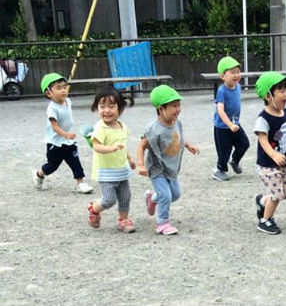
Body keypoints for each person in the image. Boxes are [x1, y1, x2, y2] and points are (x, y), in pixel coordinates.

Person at [137, 85, 200, 235]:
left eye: (179, 105)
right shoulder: (154, 129)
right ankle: (162, 223)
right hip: (157, 168)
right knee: (165, 195)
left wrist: (189, 145)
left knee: (175, 194)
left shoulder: (176, 122)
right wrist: (140, 165)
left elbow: (177, 137)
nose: (178, 109)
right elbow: (141, 146)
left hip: (171, 167)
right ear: (160, 108)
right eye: (173, 106)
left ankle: (152, 199)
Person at [253, 72, 286, 234]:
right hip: (268, 164)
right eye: (281, 91)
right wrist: (273, 155)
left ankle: (262, 201)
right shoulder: (264, 118)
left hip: (282, 162)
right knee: (276, 195)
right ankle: (265, 220)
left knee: (282, 192)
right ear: (268, 96)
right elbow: (263, 140)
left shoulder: (285, 113)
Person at [32, 73, 94, 194]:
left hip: (68, 141)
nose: (63, 90)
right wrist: (66, 135)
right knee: (52, 166)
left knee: (75, 162)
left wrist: (68, 137)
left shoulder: (68, 101)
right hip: (55, 142)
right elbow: (54, 126)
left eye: (64, 87)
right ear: (49, 93)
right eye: (58, 88)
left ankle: (81, 183)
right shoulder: (52, 108)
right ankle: (39, 174)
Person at [87, 86, 137, 233]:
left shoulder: (122, 126)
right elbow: (96, 146)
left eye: (111, 106)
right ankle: (93, 208)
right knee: (109, 200)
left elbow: (123, 146)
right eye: (102, 106)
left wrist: (130, 159)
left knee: (125, 196)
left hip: (121, 169)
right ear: (97, 108)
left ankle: (123, 220)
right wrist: (111, 148)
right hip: (106, 172)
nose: (106, 110)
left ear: (120, 109)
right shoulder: (100, 128)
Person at [212, 56, 250, 181]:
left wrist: (234, 124)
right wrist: (230, 125)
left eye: (238, 72)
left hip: (235, 123)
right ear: (222, 76)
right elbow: (220, 110)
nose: (236, 75)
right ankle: (219, 170)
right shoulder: (222, 91)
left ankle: (235, 161)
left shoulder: (238, 86)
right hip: (222, 127)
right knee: (224, 151)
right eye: (232, 72)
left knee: (244, 143)